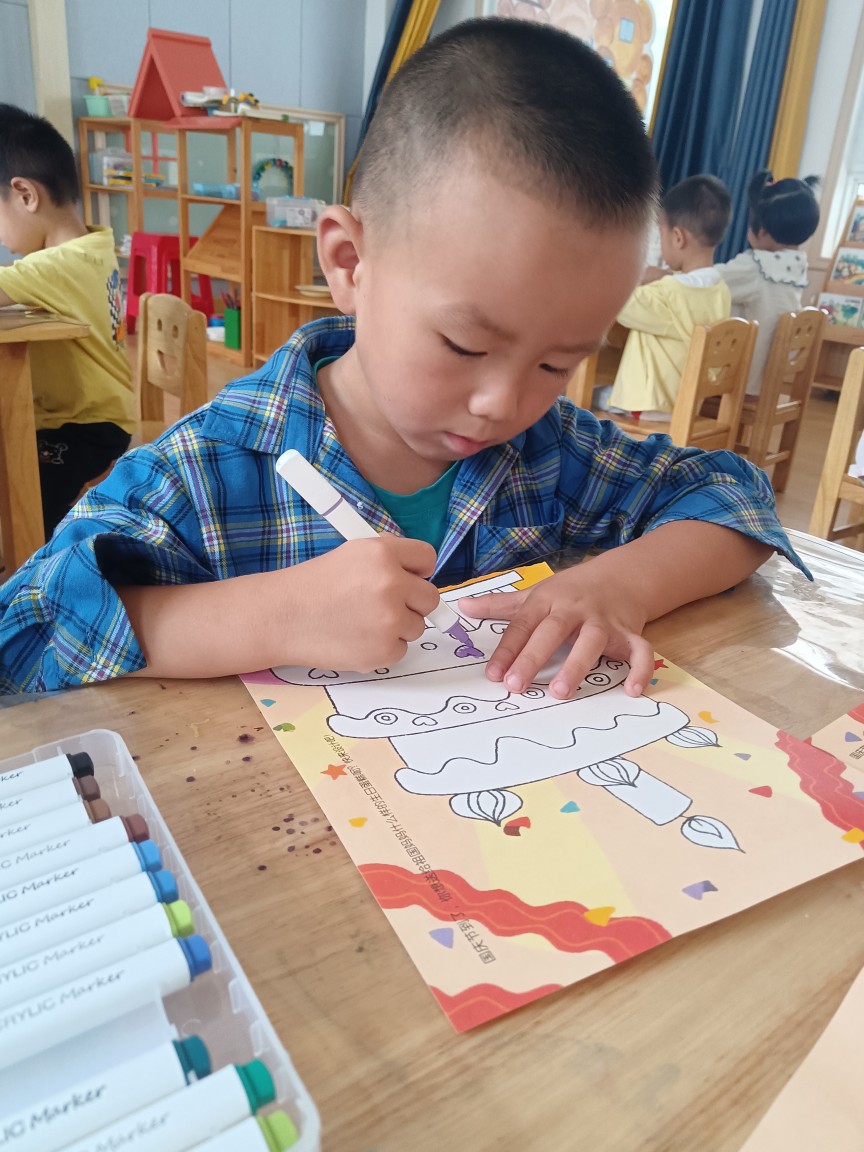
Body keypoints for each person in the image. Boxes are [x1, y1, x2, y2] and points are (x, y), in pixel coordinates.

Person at [0, 20, 805, 700]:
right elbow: (25, 631)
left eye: (556, 364)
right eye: (465, 345)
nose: (502, 403)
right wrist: (273, 616)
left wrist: (618, 585)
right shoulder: (208, 471)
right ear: (349, 263)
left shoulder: (548, 451)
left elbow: (734, 497)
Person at [0, 103, 134, 537]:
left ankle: (40, 567)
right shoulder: (89, 246)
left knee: (27, 510)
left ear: (25, 195)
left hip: (84, 428)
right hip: (90, 418)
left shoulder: (60, 265)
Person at [607, 174, 732, 418]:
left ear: (678, 237)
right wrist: (666, 275)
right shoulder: (721, 290)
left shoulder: (668, 295)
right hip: (686, 405)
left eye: (660, 234)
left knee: (586, 401)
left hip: (650, 407)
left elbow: (616, 299)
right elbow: (687, 292)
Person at [715, 169, 820, 396]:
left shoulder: (756, 266)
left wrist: (668, 273)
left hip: (738, 385)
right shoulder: (796, 268)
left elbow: (705, 282)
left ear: (761, 230)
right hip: (767, 385)